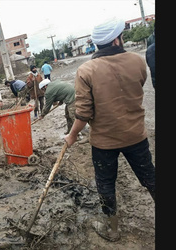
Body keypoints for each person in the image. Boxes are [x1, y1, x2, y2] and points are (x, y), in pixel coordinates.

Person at [64, 17, 155, 242]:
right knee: (150, 176)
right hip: (136, 136)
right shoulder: (137, 61)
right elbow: (139, 86)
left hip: (104, 142)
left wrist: (72, 135)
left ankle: (113, 230)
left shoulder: (86, 70)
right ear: (116, 40)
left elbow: (83, 114)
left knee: (105, 184)